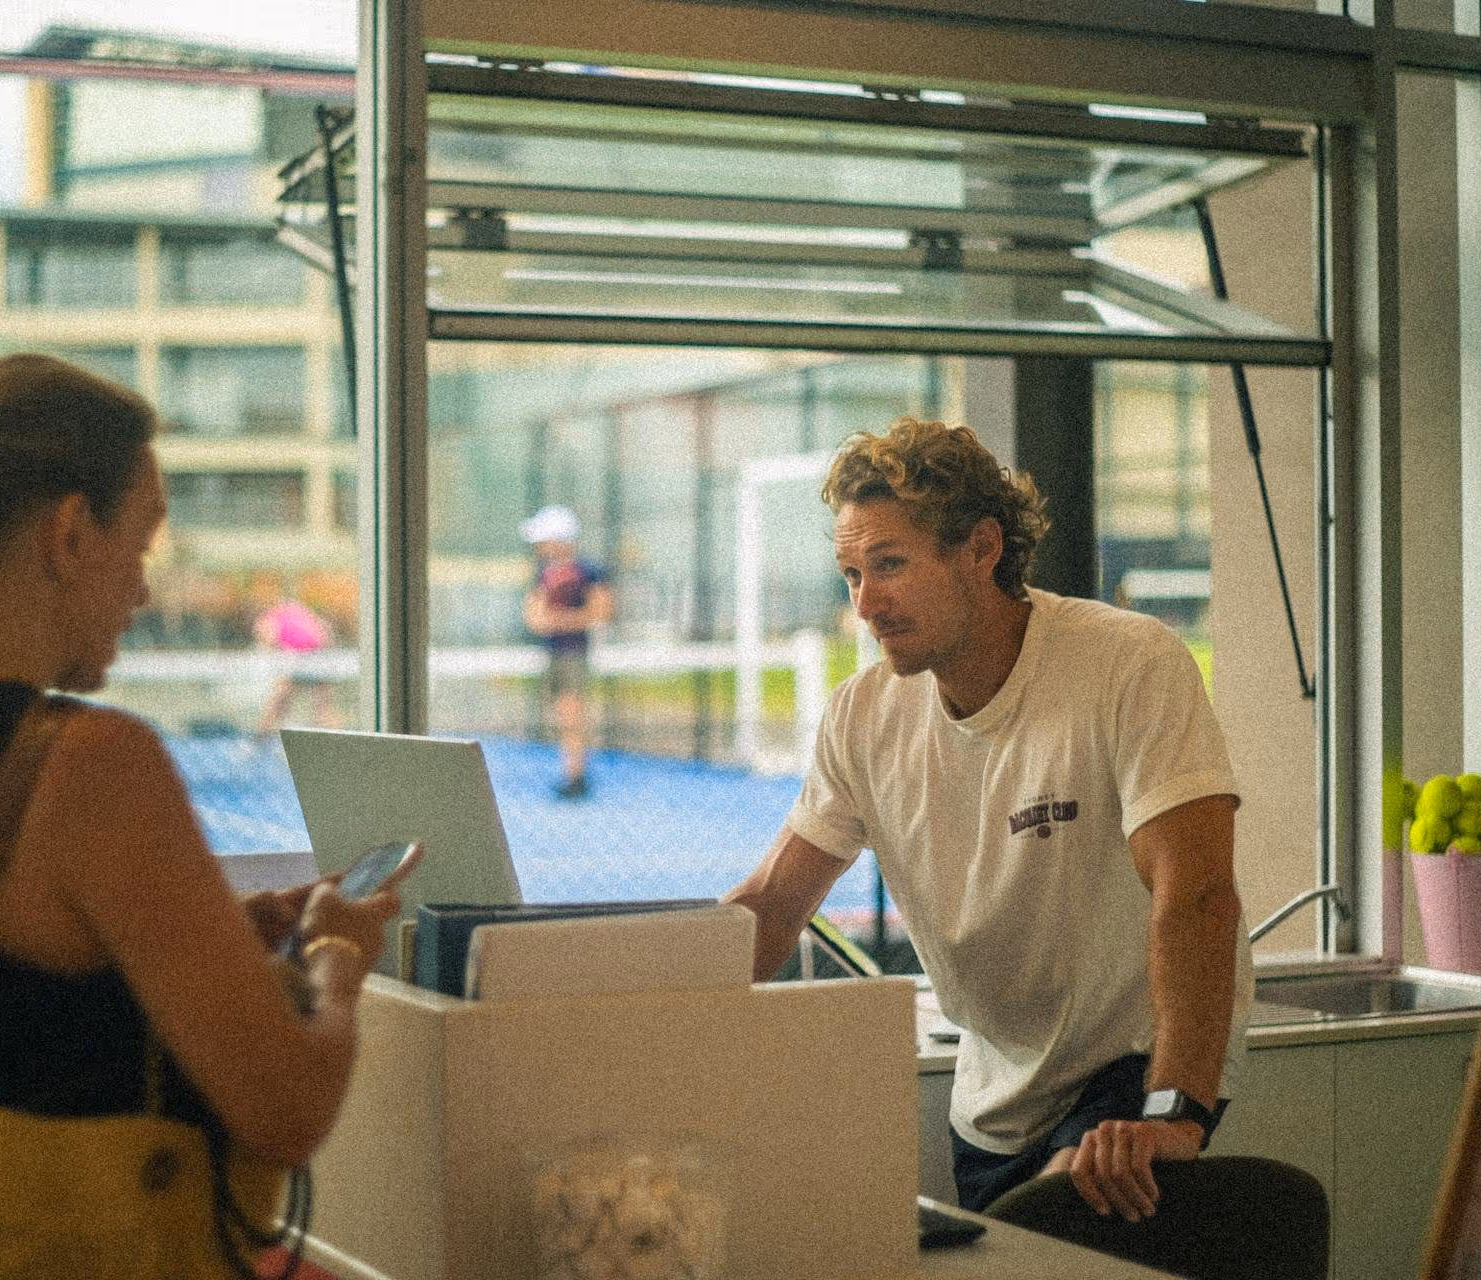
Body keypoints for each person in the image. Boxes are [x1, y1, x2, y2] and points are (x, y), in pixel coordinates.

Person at [0, 354, 408, 1260]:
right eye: (142, 540)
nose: (143, 587)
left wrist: (210, 933)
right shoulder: (89, 765)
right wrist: (335, 961)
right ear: (71, 535)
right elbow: (287, 1111)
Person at [722, 417, 1249, 1223]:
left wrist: (1174, 1111)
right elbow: (772, 903)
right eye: (852, 575)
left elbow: (1200, 892)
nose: (867, 603)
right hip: (992, 1103)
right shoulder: (862, 716)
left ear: (981, 549)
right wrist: (627, 1015)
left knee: (1065, 1239)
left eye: (890, 565)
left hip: (1128, 1072)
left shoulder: (1128, 664)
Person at [520, 504, 614, 799]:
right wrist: (564, 621)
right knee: (562, 715)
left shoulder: (588, 572)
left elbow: (601, 611)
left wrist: (557, 621)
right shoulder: (544, 574)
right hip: (556, 654)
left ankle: (575, 774)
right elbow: (534, 618)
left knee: (572, 714)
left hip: (573, 654)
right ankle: (572, 771)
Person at [253, 594, 342, 736]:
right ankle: (339, 741)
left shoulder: (269, 618)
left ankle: (257, 742)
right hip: (320, 659)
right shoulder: (298, 610)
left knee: (278, 704)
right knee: (322, 708)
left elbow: (270, 640)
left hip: (300, 661)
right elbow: (325, 634)